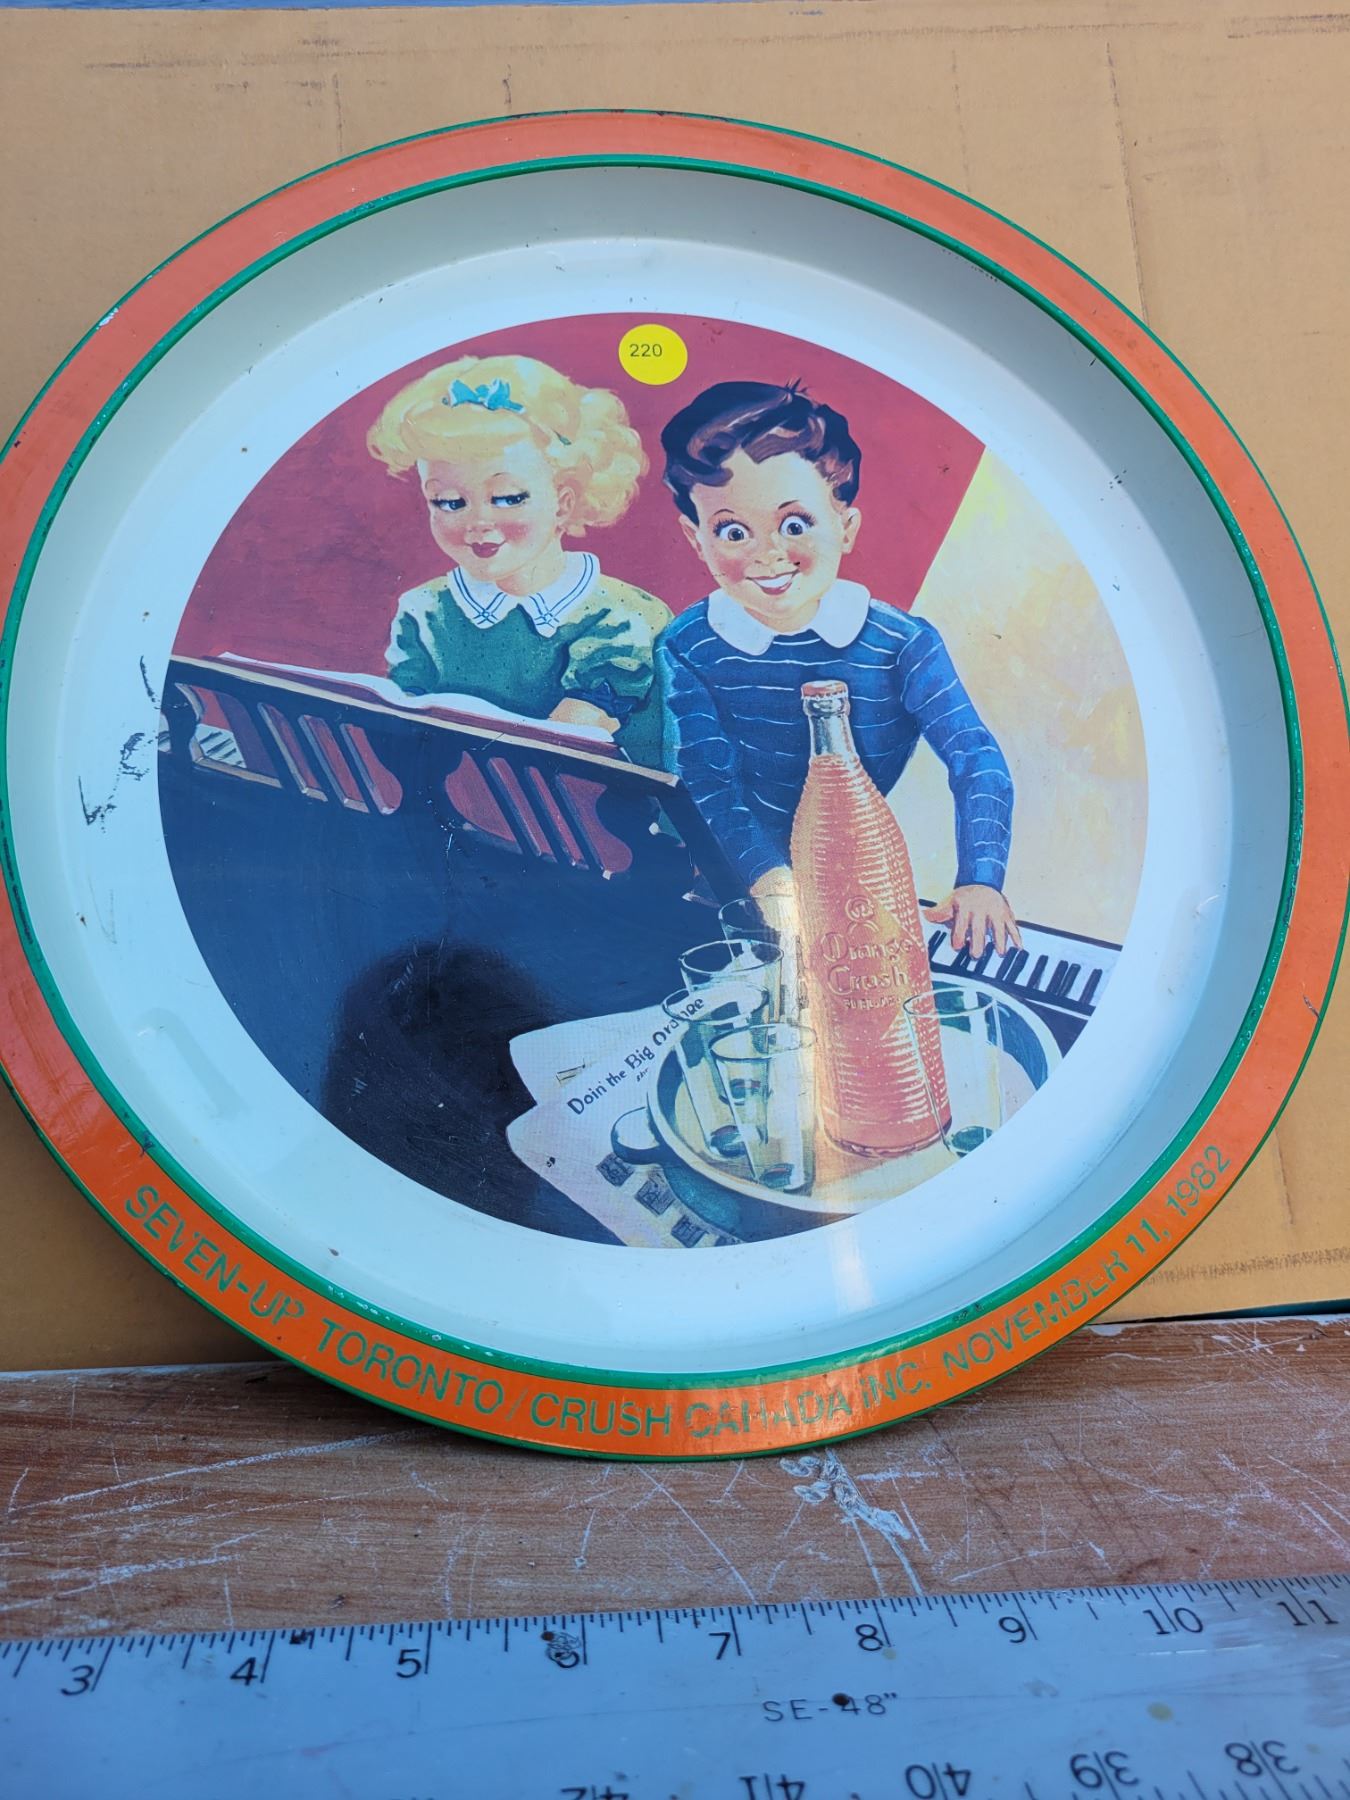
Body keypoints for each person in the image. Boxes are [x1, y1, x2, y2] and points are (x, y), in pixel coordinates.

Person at [655, 380, 1019, 953]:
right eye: (733, 531)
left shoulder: (903, 644)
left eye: (794, 524)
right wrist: (772, 884)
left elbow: (974, 756)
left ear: (845, 528)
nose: (767, 554)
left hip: (860, 878)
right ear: (696, 540)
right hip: (735, 884)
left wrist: (980, 878)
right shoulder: (688, 644)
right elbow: (707, 781)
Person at [367, 353, 671, 765]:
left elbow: (565, 751)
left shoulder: (623, 616)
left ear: (563, 503)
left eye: (508, 497)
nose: (478, 521)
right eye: (449, 501)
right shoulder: (423, 611)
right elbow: (402, 739)